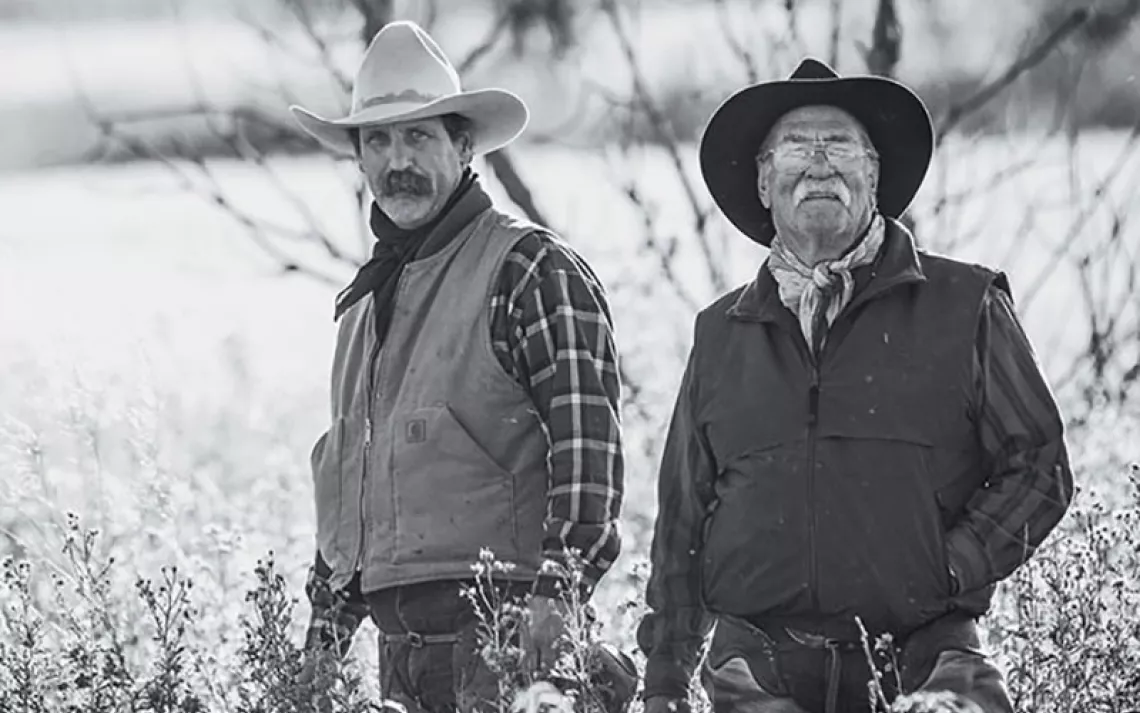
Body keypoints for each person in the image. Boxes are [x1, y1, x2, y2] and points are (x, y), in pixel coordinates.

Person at [636, 58, 1074, 713]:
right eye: (794, 147)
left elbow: (1041, 466)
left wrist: (949, 565)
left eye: (838, 143)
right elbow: (682, 523)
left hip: (930, 659)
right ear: (762, 180)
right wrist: (666, 680)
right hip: (758, 668)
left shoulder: (967, 303)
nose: (818, 163)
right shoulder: (720, 333)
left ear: (874, 172)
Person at [288, 20, 632, 713]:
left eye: (418, 137)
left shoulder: (530, 267)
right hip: (401, 650)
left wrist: (559, 596)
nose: (397, 160)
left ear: (464, 146)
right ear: (358, 158)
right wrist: (320, 642)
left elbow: (587, 445)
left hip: (504, 630)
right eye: (378, 141)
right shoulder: (360, 310)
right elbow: (351, 490)